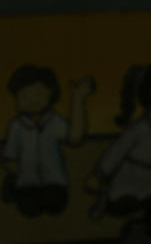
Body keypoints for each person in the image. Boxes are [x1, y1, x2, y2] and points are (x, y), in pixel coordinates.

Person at [87, 63, 151, 219]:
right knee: (123, 202)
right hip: (129, 176)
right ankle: (107, 199)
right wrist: (99, 174)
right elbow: (116, 152)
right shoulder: (139, 129)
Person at [2, 65, 95, 216]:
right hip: (26, 181)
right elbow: (9, 155)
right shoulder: (16, 126)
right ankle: (14, 190)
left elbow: (74, 137)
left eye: (37, 93)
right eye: (24, 95)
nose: (32, 100)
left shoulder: (54, 121)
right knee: (28, 208)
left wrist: (78, 99)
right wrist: (14, 171)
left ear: (50, 93)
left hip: (54, 180)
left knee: (55, 203)